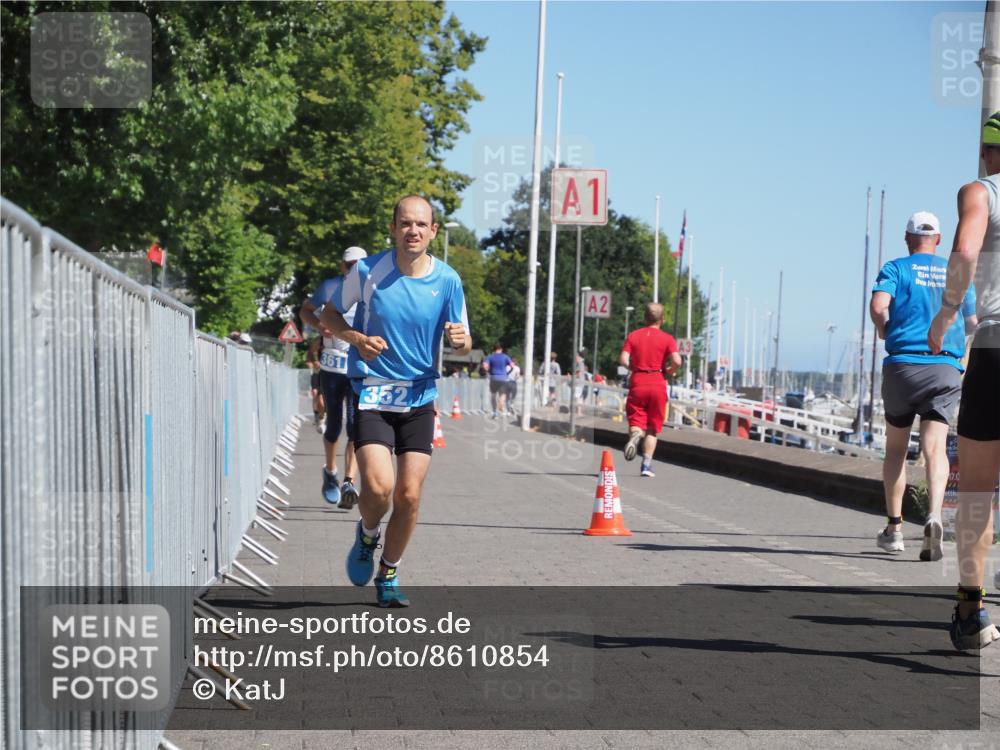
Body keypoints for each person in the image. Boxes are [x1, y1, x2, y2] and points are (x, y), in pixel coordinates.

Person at [320, 195, 471, 607]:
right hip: (372, 390)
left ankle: (388, 572)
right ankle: (368, 534)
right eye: (406, 223)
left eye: (422, 225)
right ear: (393, 228)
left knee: (408, 495)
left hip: (420, 396)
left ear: (434, 231)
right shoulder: (368, 271)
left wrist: (460, 340)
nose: (413, 231)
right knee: (379, 487)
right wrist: (356, 339)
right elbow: (328, 316)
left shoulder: (448, 280)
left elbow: (462, 335)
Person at [927, 112, 1000, 651]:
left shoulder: (980, 193)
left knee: (977, 489)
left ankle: (971, 610)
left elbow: (966, 252)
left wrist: (947, 314)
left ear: (988, 152)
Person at [870, 211, 976, 561]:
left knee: (897, 448)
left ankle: (895, 529)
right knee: (936, 448)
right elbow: (972, 321)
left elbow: (878, 306)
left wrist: (885, 326)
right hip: (945, 366)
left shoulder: (896, 268)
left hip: (903, 365)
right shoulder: (957, 272)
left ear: (907, 238)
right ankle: (933, 515)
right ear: (940, 241)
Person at [300, 246, 368, 509]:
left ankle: (349, 481)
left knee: (356, 426)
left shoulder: (371, 291)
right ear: (343, 267)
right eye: (350, 265)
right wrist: (319, 326)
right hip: (332, 366)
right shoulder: (330, 286)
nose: (355, 270)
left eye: (360, 265)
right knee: (334, 425)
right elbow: (306, 310)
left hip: (358, 368)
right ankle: (330, 472)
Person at [619, 303, 682, 477]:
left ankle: (636, 435)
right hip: (657, 382)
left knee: (636, 421)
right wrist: (669, 371)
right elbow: (677, 360)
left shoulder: (633, 336)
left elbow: (623, 359)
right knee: (653, 428)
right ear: (662, 319)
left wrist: (633, 367)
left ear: (645, 318)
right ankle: (646, 465)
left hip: (638, 381)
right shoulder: (667, 338)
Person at [482, 343, 512, 419]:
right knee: (503, 394)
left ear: (494, 349)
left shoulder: (490, 357)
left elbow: (485, 366)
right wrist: (508, 373)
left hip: (493, 377)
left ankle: (495, 413)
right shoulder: (505, 357)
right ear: (501, 349)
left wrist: (488, 371)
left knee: (493, 395)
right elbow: (512, 365)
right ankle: (501, 403)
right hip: (503, 377)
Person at [306, 336, 326, 434]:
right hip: (316, 373)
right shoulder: (317, 341)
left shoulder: (333, 342)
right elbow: (309, 358)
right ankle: (316, 415)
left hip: (326, 374)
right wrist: (312, 363)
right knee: (314, 393)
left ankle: (322, 418)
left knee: (322, 400)